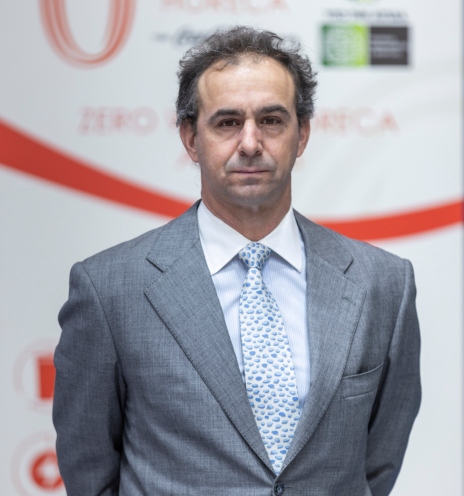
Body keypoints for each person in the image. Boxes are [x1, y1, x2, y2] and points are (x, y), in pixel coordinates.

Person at [53, 26, 421, 496]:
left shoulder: (383, 284)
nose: (250, 143)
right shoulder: (109, 289)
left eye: (271, 120)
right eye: (227, 122)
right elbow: (89, 468)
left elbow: (377, 463)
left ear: (302, 134)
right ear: (191, 138)